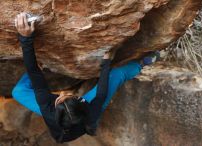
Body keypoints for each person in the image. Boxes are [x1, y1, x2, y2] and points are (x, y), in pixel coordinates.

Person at [12, 13, 160, 143]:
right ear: (80, 101)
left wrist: (25, 38)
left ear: (56, 104)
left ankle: (41, 65)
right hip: (84, 119)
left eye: (63, 96)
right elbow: (101, 93)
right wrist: (106, 62)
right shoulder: (91, 110)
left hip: (66, 121)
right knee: (116, 75)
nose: (62, 93)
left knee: (18, 92)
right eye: (67, 95)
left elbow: (33, 73)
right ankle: (141, 64)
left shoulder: (46, 107)